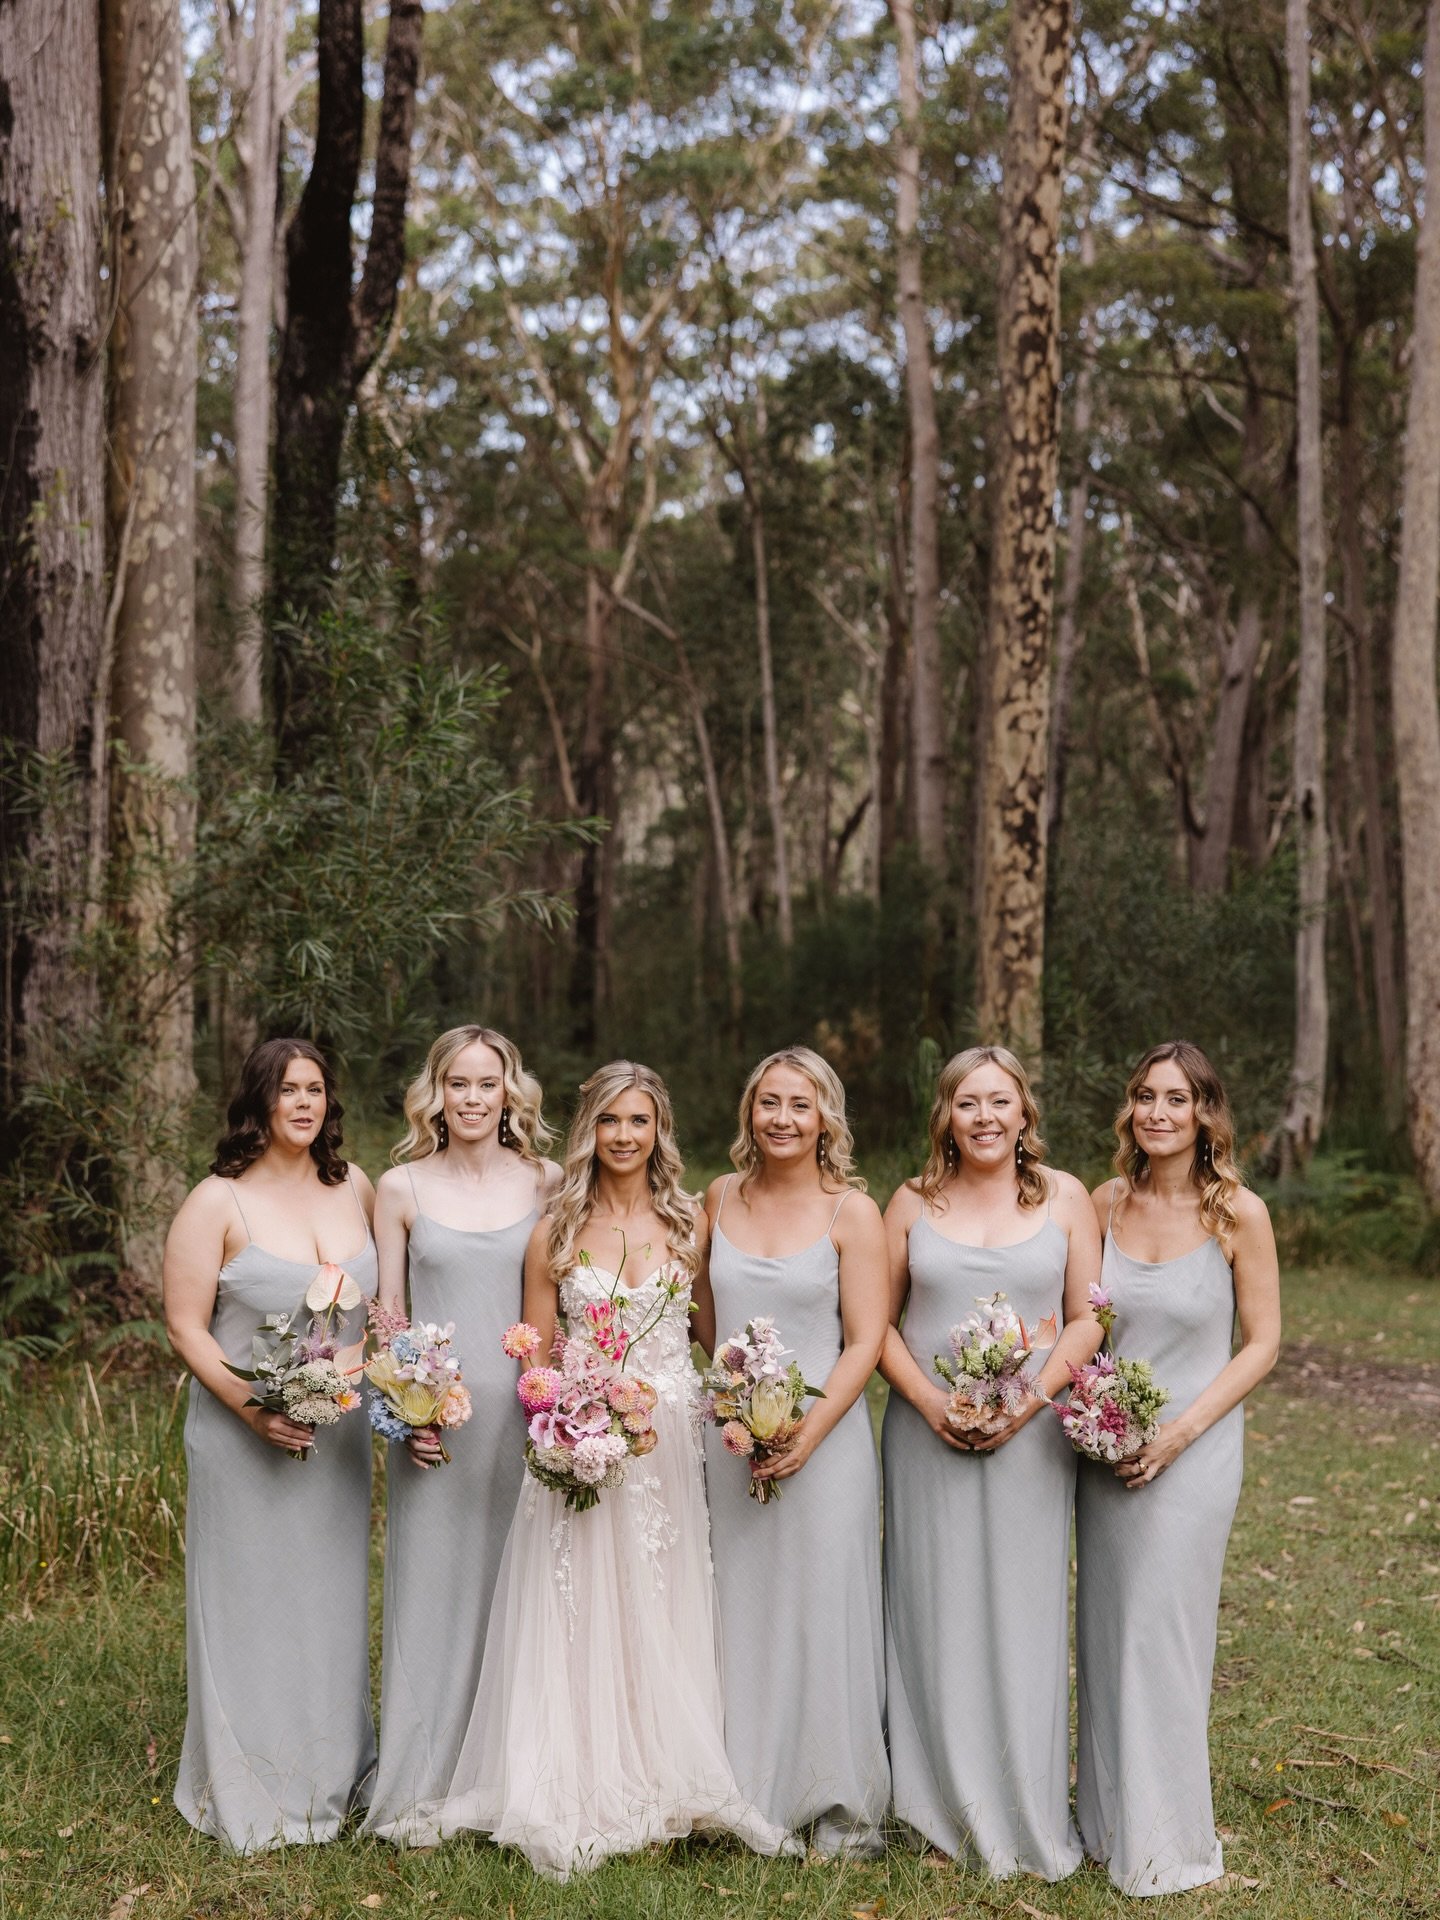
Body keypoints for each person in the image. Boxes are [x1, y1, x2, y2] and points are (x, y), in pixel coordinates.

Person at [404, 1060, 793, 1879]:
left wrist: (750, 1407)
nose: (624, 1136)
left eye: (639, 1122)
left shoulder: (690, 1221)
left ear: (660, 1132)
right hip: (584, 1439)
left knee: (662, 1595)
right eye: (610, 1121)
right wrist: (566, 1426)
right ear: (591, 1130)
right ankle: (576, 1771)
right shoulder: (556, 1226)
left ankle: (661, 1770)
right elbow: (537, 1355)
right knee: (581, 1601)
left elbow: (708, 1338)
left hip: (670, 1444)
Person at [880, 1044, 1102, 1878]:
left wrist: (1028, 1398)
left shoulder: (1067, 1199)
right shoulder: (908, 1204)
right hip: (924, 1437)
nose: (984, 1118)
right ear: (946, 1115)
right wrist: (934, 1404)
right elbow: (878, 1326)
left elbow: (1086, 1319)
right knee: (933, 1607)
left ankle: (1025, 1803)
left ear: (1023, 1113)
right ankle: (932, 1806)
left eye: (999, 1102)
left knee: (1022, 1612)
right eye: (967, 1103)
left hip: (1032, 1439)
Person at [1077, 1040, 1280, 1895]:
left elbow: (1263, 1342)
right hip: (1107, 1449)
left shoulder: (1239, 1212)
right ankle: (1106, 1822)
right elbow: (1083, 1325)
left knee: (1166, 1635)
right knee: (1109, 1629)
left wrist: (1181, 1433)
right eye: (1144, 1097)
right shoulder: (1102, 1204)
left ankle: (1167, 1842)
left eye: (1175, 1099)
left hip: (1194, 1452)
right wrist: (1097, 1415)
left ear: (1205, 1113)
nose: (1156, 1113)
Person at [164, 1038, 377, 1851]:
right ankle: (251, 1784)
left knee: (328, 1602)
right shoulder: (216, 1202)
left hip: (340, 1436)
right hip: (242, 1433)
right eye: (287, 1090)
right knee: (252, 1602)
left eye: (316, 1089)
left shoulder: (352, 1185)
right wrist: (256, 1409)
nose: (304, 1103)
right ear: (258, 1100)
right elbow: (186, 1326)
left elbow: (375, 1311)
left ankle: (334, 1771)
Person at [366, 1026, 560, 1838]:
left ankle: (516, 1774)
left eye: (489, 1083)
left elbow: (560, 1301)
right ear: (435, 1094)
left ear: (511, 1092)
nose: (474, 1099)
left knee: (522, 1593)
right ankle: (426, 1774)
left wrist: (562, 1410)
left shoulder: (547, 1181)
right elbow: (389, 1314)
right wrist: (408, 1411)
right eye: (459, 1084)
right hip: (436, 1430)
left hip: (525, 1420)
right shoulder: (401, 1187)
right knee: (434, 1592)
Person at [702, 1045, 890, 1855]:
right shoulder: (716, 1198)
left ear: (825, 1119)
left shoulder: (853, 1211)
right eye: (769, 1102)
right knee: (737, 1610)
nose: (782, 1118)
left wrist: (805, 1433)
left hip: (828, 1445)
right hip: (733, 1440)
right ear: (750, 1112)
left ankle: (829, 1797)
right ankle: (741, 1790)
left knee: (823, 1610)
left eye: (799, 1105)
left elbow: (866, 1338)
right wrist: (739, 1410)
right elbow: (704, 1321)